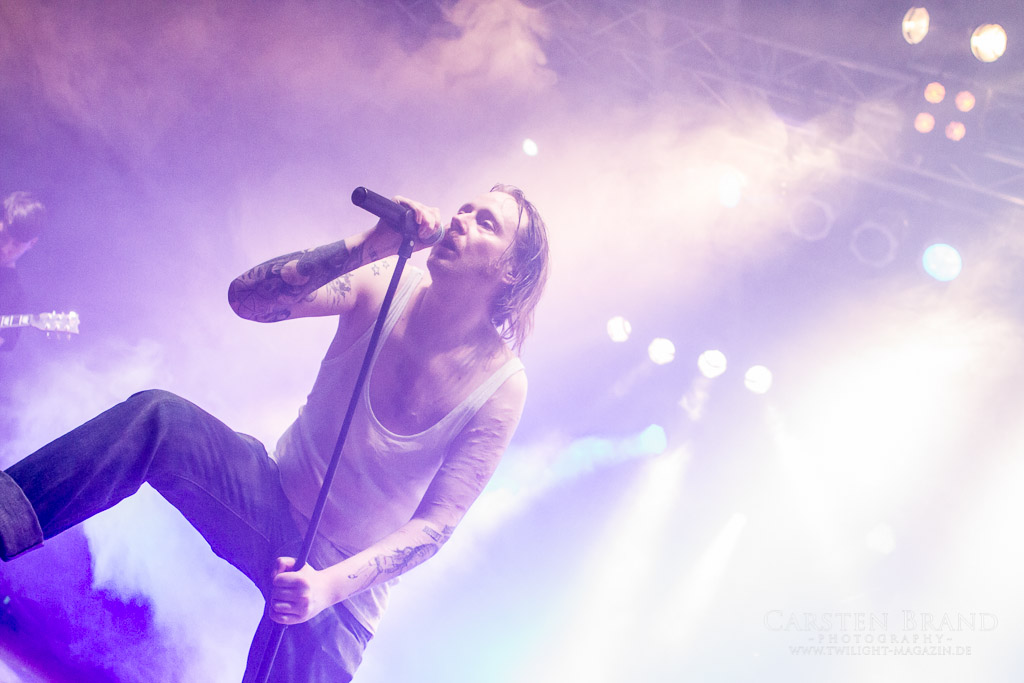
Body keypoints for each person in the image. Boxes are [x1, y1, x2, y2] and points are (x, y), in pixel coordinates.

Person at [0, 184, 549, 682]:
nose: (461, 219)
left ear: (510, 272)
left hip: (342, 590)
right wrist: (369, 244)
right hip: (270, 497)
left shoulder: (501, 385)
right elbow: (247, 300)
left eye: (486, 223)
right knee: (159, 419)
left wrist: (324, 589)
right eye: (466, 208)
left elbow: (435, 526)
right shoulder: (387, 282)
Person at [0, 191, 46, 352]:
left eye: (16, 245)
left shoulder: (14, 298)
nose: (5, 249)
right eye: (3, 237)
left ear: (31, 244)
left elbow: (4, 342)